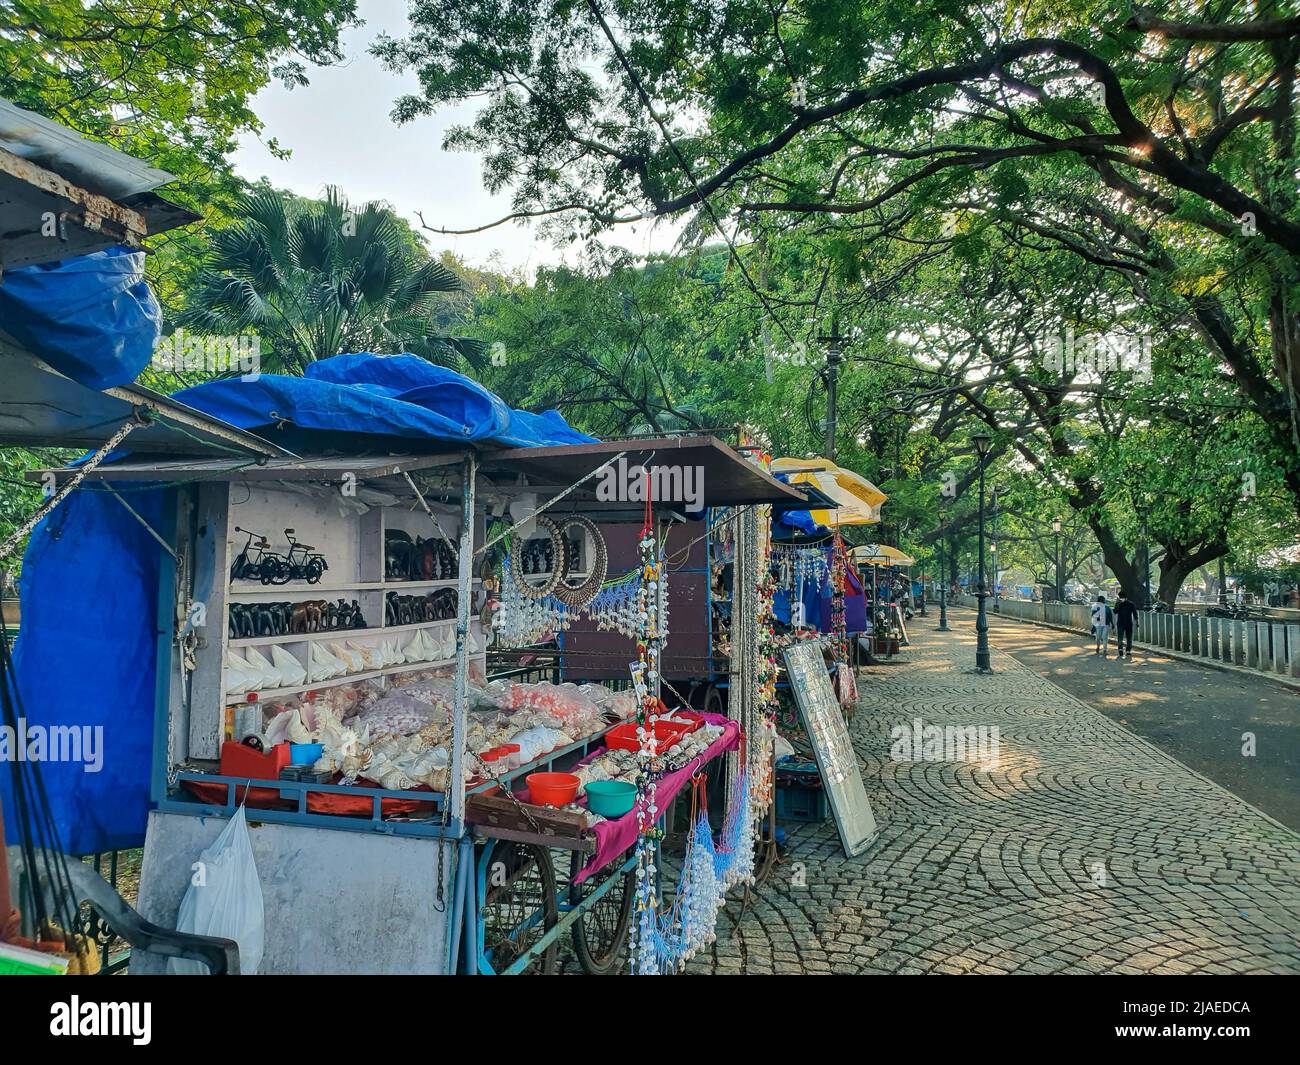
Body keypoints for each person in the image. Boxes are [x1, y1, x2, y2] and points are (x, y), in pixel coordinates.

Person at [1114, 591, 1139, 659]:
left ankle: (1124, 649)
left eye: (1122, 597)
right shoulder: (1128, 603)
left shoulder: (1130, 604)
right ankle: (1124, 650)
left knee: (1123, 637)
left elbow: (1134, 613)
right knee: (1126, 638)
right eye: (1120, 597)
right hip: (1125, 623)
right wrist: (1137, 622)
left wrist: (1137, 622)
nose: (1121, 598)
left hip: (1124, 623)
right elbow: (1115, 612)